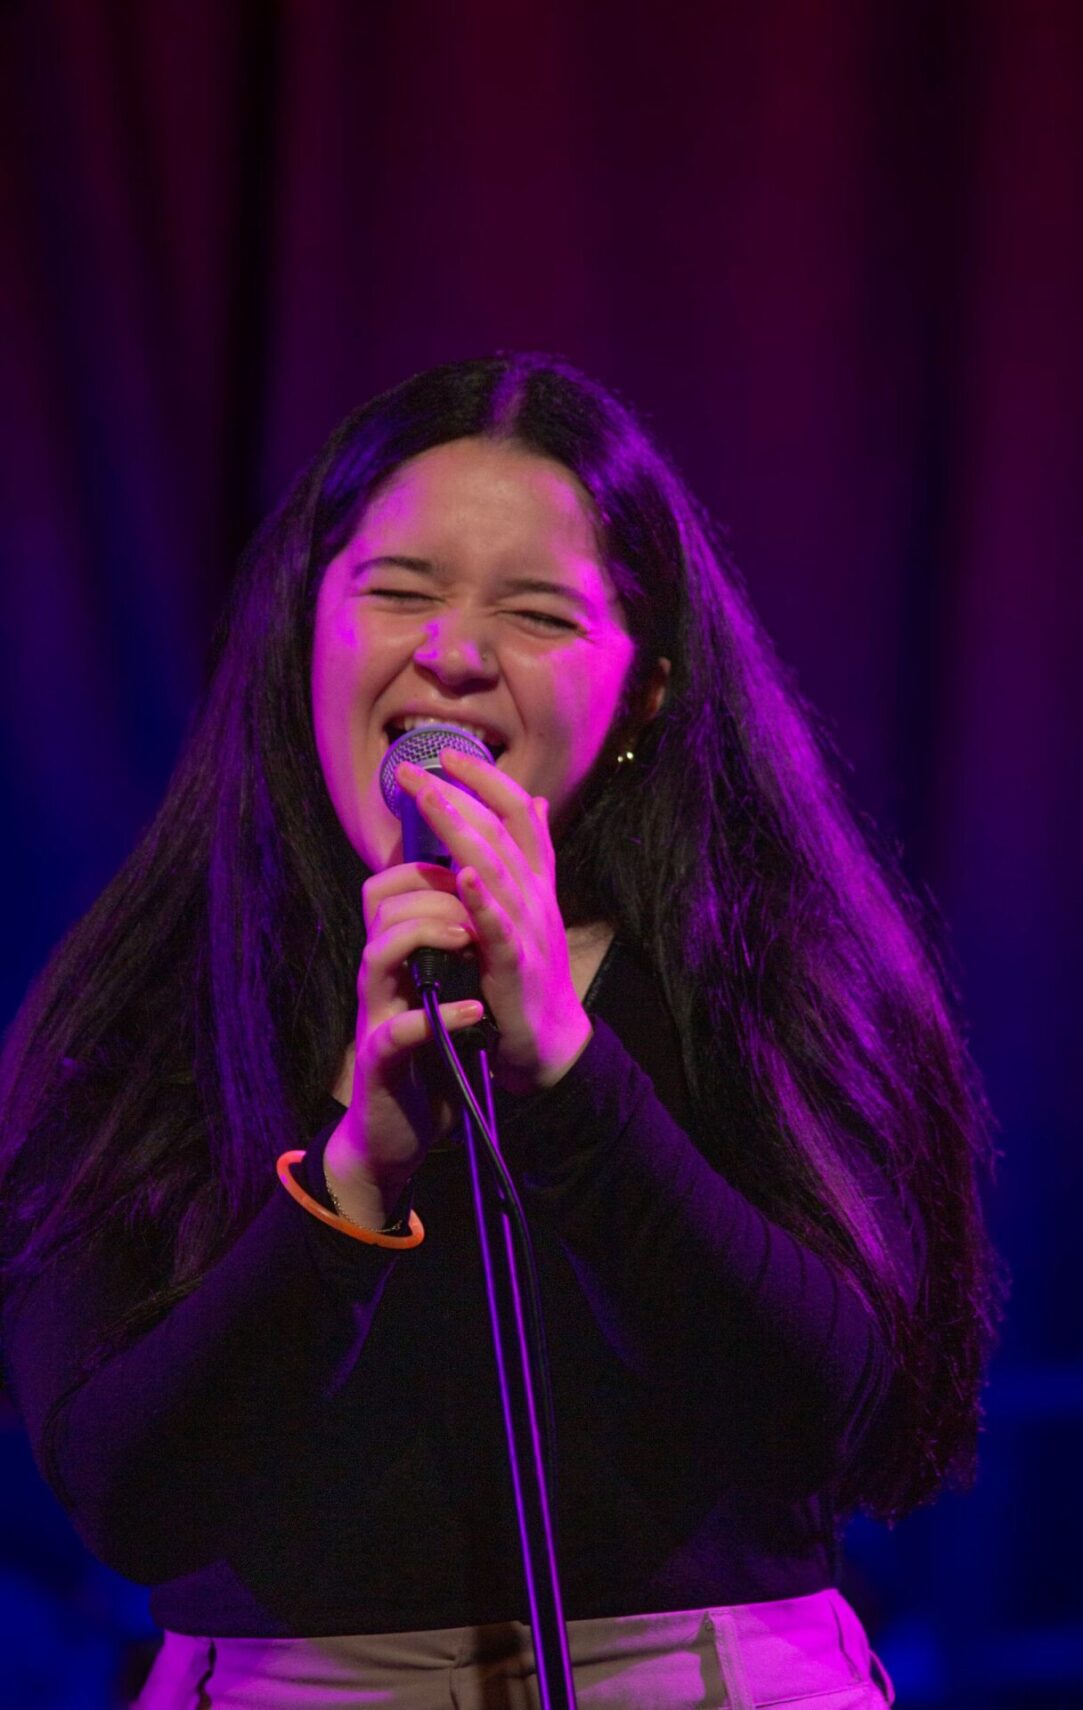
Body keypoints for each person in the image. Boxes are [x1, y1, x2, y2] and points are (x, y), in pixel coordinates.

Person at [0, 354, 1002, 1708]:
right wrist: (355, 1180)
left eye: (536, 614)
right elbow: (128, 1494)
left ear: (643, 693)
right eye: (399, 591)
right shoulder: (151, 999)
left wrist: (568, 1077)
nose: (456, 654)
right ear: (307, 630)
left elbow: (841, 1422)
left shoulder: (774, 973)